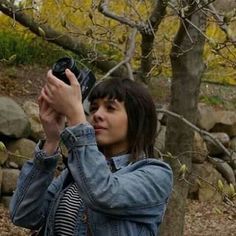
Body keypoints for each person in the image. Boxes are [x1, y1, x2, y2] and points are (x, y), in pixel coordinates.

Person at [10, 68, 173, 236]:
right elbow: (23, 215)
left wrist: (75, 116)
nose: (97, 115)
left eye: (110, 108)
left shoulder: (156, 175)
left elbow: (104, 195)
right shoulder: (72, 175)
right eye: (94, 108)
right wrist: (52, 140)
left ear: (137, 119)